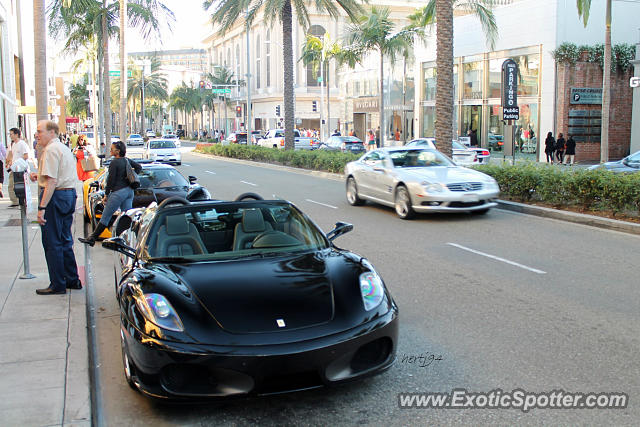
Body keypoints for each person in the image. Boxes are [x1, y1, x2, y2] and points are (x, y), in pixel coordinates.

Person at [30, 120, 81, 295]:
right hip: (68, 195)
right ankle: (72, 279)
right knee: (65, 239)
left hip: (56, 197)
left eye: (39, 131)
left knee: (52, 242)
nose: (37, 135)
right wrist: (40, 176)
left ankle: (58, 283)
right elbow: (57, 175)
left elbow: (52, 181)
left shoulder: (50, 150)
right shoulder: (63, 148)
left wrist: (41, 207)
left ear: (52, 132)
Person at [79, 141, 141, 246]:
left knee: (106, 216)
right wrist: (128, 178)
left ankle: (92, 238)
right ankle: (124, 240)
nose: (110, 150)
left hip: (118, 192)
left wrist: (106, 194)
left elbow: (111, 181)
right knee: (126, 216)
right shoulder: (126, 160)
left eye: (112, 149)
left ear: (118, 151)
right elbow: (139, 167)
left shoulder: (114, 163)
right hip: (129, 191)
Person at [6, 128, 31, 207]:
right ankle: (15, 201)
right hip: (14, 168)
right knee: (11, 185)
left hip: (20, 169)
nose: (10, 136)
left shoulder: (22, 144)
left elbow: (26, 156)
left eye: (11, 134)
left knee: (20, 186)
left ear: (17, 134)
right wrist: (10, 163)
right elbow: (13, 156)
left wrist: (18, 163)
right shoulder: (14, 144)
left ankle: (22, 201)